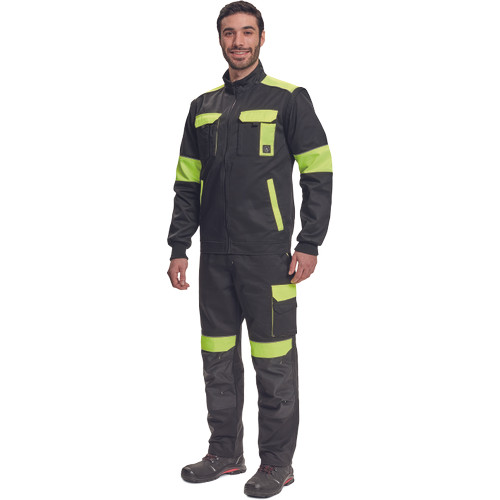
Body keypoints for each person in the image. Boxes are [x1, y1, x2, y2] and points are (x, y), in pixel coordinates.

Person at [167, 2, 332, 497]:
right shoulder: (202, 107)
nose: (237, 42)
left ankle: (278, 463)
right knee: (216, 358)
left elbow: (318, 172)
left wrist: (309, 241)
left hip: (268, 256)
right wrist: (179, 246)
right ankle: (225, 453)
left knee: (274, 362)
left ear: (262, 37)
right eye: (228, 33)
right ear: (219, 39)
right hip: (215, 257)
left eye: (246, 32)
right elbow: (186, 183)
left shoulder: (289, 99)